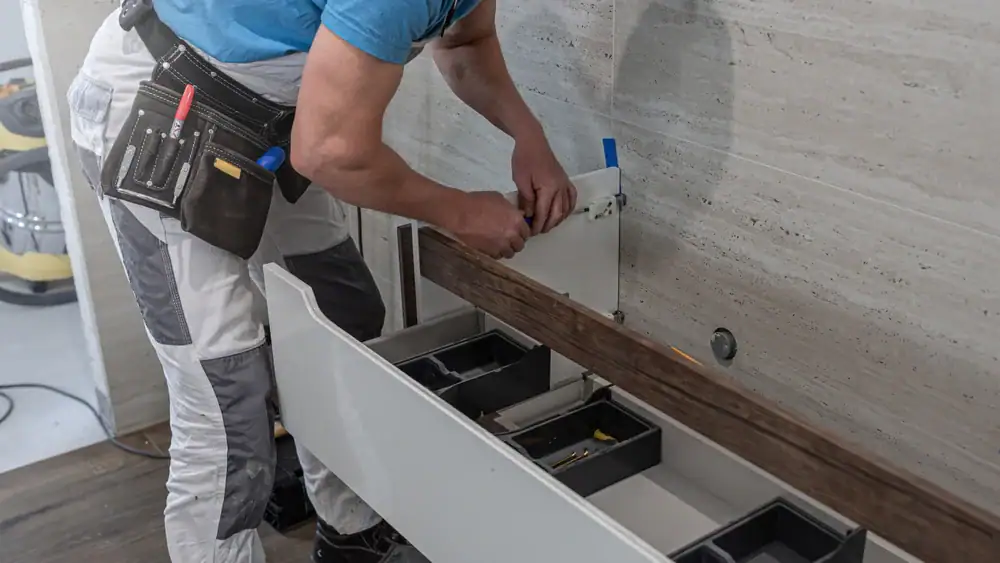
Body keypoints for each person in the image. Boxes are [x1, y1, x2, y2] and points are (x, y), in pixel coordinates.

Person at [67, 0, 577, 562]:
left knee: (343, 314)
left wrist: (530, 138)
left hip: (268, 123)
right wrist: (458, 211)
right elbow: (331, 150)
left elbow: (463, 42)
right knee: (225, 399)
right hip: (164, 110)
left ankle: (350, 534)